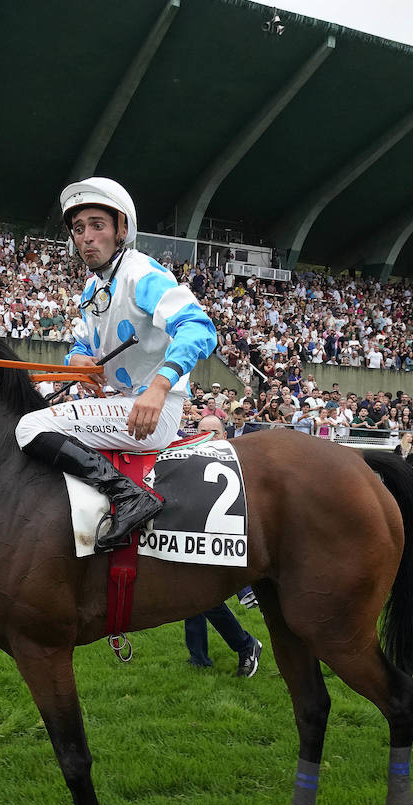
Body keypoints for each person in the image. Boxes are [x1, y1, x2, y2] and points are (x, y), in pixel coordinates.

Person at [15, 177, 217, 551]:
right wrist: (78, 360)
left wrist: (159, 387)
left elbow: (200, 328)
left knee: (30, 427)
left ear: (121, 229)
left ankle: (128, 497)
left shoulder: (141, 273)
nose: (86, 237)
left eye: (97, 225)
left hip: (152, 412)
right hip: (124, 405)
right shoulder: (92, 289)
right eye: (78, 229)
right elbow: (80, 344)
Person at [181, 417, 263, 676]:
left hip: (227, 538)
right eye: (202, 431)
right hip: (196, 536)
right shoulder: (189, 457)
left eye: (212, 432)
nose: (206, 436)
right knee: (189, 597)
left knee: (199, 596)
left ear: (225, 434)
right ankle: (198, 656)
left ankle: (245, 643)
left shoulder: (239, 460)